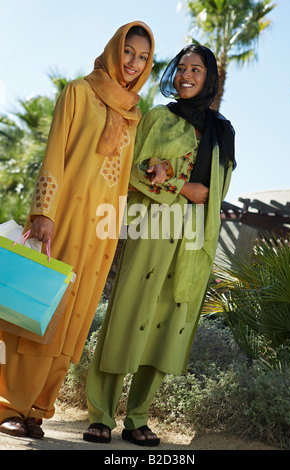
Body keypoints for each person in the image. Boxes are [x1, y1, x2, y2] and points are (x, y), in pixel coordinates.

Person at [0, 21, 154, 439]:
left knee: (73, 319)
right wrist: (43, 212)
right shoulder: (78, 92)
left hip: (99, 232)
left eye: (142, 58)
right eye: (128, 52)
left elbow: (121, 177)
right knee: (40, 310)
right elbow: (55, 153)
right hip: (63, 219)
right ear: (113, 49)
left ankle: (38, 410)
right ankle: (9, 405)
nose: (133, 63)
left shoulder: (133, 114)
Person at [84, 44, 236, 446]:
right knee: (127, 313)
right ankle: (100, 413)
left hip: (192, 238)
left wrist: (190, 193)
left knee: (166, 325)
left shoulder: (223, 132)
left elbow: (218, 193)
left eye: (196, 69)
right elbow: (130, 172)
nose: (186, 75)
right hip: (151, 224)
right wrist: (179, 185)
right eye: (181, 67)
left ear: (209, 78)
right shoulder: (157, 117)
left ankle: (138, 418)